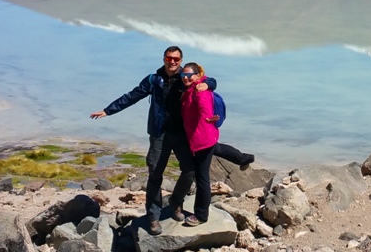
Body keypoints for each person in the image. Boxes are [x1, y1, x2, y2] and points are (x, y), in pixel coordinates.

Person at [89, 45, 201, 235]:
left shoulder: (186, 77)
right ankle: (154, 216)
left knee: (190, 171)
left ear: (181, 61)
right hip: (159, 134)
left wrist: (208, 85)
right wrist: (108, 110)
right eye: (169, 58)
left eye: (176, 59)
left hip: (181, 134)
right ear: (164, 59)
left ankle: (175, 203)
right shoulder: (153, 79)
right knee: (155, 173)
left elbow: (207, 81)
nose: (172, 62)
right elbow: (132, 96)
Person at [178, 61, 255, 226]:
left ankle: (201, 215)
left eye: (189, 75)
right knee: (218, 148)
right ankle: (244, 158)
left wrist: (206, 121)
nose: (185, 78)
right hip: (204, 137)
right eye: (183, 75)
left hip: (202, 139)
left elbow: (205, 110)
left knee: (202, 177)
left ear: (197, 75)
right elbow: (210, 81)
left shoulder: (200, 92)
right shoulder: (192, 87)